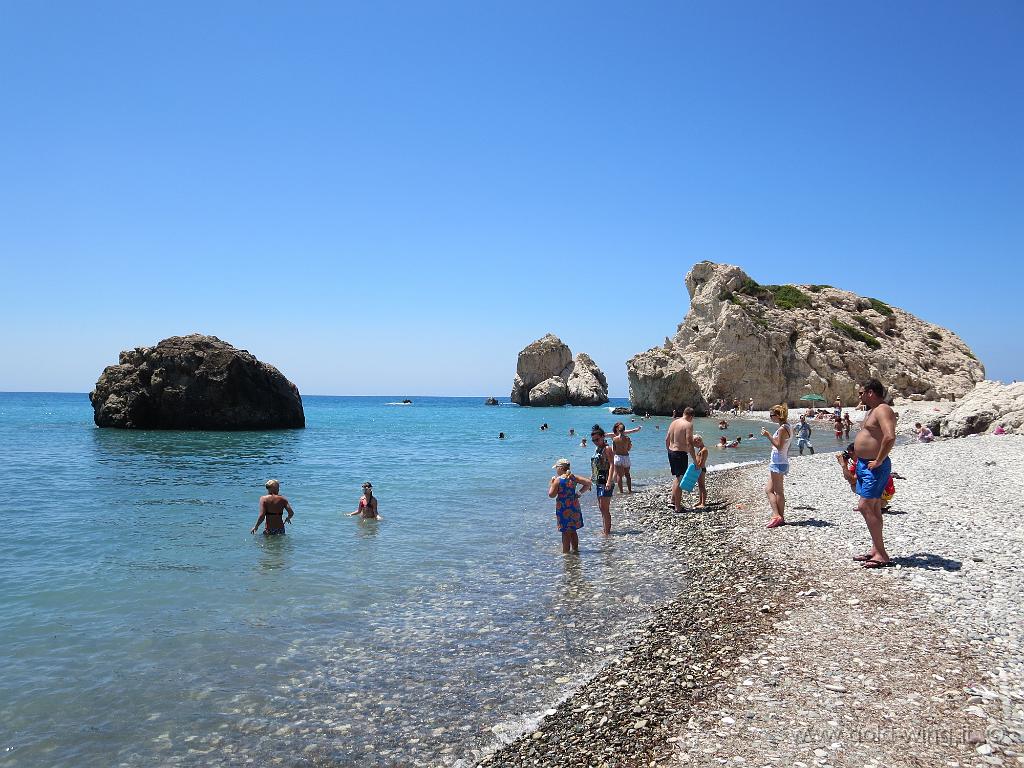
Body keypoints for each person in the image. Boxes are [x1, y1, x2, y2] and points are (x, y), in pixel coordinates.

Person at [853, 379, 897, 568]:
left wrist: (878, 460)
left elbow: (890, 436)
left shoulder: (882, 409)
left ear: (870, 392)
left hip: (874, 466)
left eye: (861, 392)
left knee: (865, 506)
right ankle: (875, 550)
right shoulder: (872, 410)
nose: (859, 396)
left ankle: (882, 554)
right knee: (874, 507)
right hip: (864, 465)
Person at [548, 458, 591, 553]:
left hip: (563, 508)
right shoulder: (573, 477)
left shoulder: (558, 480)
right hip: (574, 506)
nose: (556, 470)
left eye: (556, 468)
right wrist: (579, 493)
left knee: (565, 532)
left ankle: (566, 554)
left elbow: (551, 495)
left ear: (560, 468)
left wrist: (552, 484)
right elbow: (588, 483)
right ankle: (575, 550)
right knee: (573, 530)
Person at [762, 405, 792, 529]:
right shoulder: (788, 426)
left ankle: (778, 516)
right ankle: (779, 516)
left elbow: (779, 446)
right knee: (769, 489)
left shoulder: (782, 429)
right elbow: (785, 446)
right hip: (780, 461)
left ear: (777, 416)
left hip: (778, 462)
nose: (770, 417)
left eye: (771, 415)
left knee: (777, 491)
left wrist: (768, 435)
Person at [665, 407, 697, 512]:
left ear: (684, 413)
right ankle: (678, 507)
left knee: (677, 477)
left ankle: (673, 501)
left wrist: (669, 451)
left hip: (671, 452)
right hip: (680, 454)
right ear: (691, 416)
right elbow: (689, 443)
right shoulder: (688, 424)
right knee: (680, 479)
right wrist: (695, 459)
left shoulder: (674, 422)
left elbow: (667, 439)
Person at [590, 424, 616, 534]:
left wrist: (609, 481)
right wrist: (592, 478)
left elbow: (612, 465)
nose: (595, 442)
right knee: (601, 507)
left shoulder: (607, 449)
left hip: (606, 480)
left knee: (605, 508)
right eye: (593, 440)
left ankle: (607, 532)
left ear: (603, 437)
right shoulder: (598, 449)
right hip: (599, 480)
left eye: (597, 439)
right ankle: (605, 529)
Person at [611, 421, 642, 493]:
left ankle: (621, 491)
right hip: (626, 457)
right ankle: (630, 490)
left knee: (619, 475)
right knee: (627, 475)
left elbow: (614, 450)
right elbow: (629, 449)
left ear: (618, 430)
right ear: (624, 430)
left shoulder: (614, 439)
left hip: (618, 457)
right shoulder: (627, 439)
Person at [693, 434, 708, 508]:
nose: (694, 446)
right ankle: (700, 501)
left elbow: (701, 462)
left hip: (701, 469)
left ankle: (703, 503)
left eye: (694, 444)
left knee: (702, 486)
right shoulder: (700, 450)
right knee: (699, 486)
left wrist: (697, 466)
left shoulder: (704, 450)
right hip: (699, 469)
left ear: (698, 441)